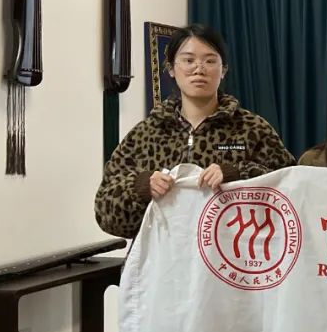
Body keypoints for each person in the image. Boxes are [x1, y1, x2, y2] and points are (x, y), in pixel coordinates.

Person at [94, 24, 295, 238]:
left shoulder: (252, 128)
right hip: (163, 256)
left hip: (234, 254)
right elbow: (105, 213)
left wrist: (238, 174)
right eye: (188, 60)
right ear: (171, 69)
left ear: (223, 70)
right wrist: (142, 187)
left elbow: (291, 189)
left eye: (210, 61)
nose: (199, 69)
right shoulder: (146, 133)